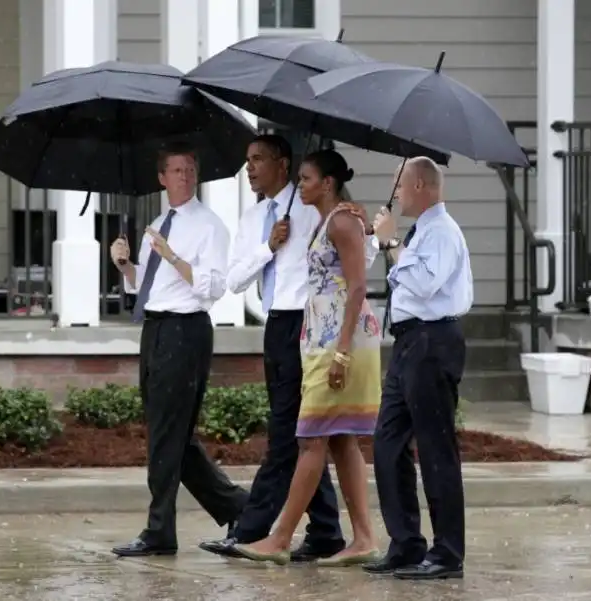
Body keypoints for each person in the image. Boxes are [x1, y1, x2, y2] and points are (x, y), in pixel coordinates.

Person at [199, 136, 380, 563]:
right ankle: (328, 533)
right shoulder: (255, 218)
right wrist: (269, 247)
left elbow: (360, 263)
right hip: (279, 327)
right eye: (248, 160)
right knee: (316, 433)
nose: (250, 169)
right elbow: (236, 281)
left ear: (282, 165)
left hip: (316, 325)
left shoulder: (320, 209)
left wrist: (370, 228)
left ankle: (257, 529)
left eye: (258, 160)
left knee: (296, 433)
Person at [109, 143, 249, 558]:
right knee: (172, 436)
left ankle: (159, 530)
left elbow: (212, 286)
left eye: (190, 169)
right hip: (154, 328)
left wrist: (172, 256)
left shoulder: (209, 226)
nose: (185, 176)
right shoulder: (158, 222)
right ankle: (238, 506)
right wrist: (125, 267)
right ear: (161, 178)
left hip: (185, 330)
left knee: (168, 436)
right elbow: (147, 288)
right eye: (176, 170)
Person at [362, 156, 473, 581]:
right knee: (387, 443)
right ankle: (407, 544)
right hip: (408, 342)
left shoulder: (443, 232)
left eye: (400, 184)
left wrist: (392, 245)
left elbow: (426, 283)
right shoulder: (419, 230)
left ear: (422, 187)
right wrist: (382, 240)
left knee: (435, 448)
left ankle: (447, 554)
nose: (395, 191)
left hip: (433, 341)